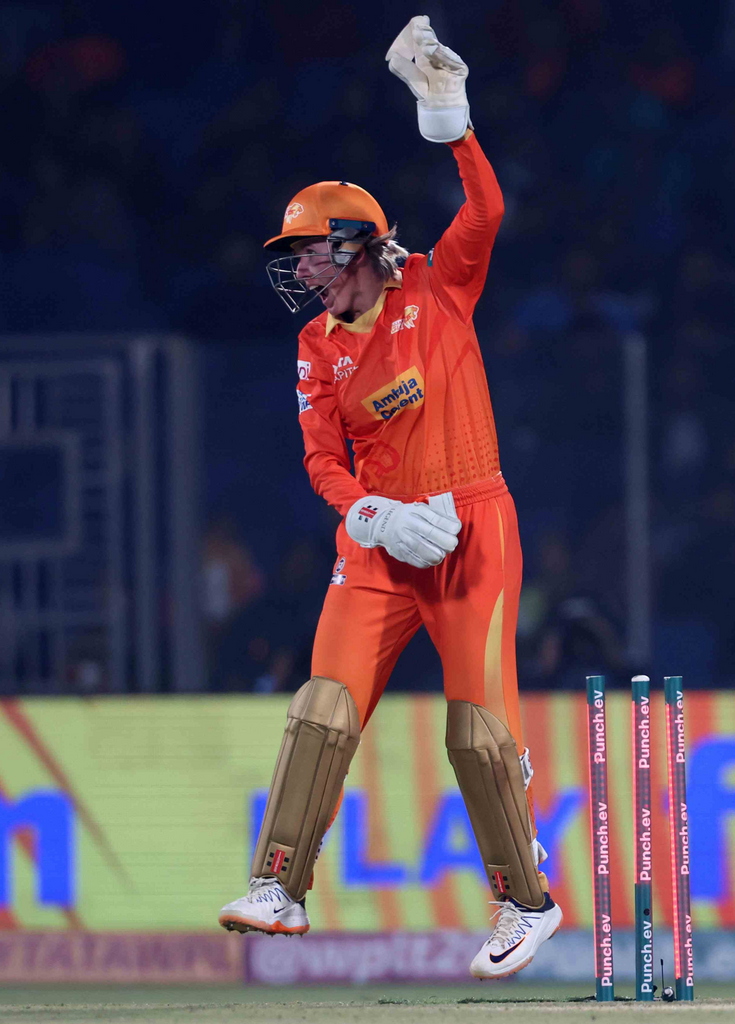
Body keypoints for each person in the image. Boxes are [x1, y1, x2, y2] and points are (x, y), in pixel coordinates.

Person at [217, 16, 561, 980]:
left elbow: (486, 210)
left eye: (311, 254)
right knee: (323, 707)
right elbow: (321, 462)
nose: (300, 272)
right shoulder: (313, 345)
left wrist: (452, 120)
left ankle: (526, 904)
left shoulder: (438, 290)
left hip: (472, 529)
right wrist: (371, 515)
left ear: (357, 245)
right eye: (294, 258)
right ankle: (280, 886)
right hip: (378, 541)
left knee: (477, 730)